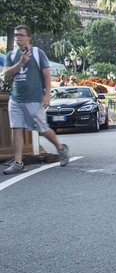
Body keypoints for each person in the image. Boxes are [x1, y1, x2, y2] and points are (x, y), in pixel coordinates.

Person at [2, 25, 69, 175]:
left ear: (28, 37)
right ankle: (18, 162)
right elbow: (6, 74)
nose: (18, 37)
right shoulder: (12, 55)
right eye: (16, 35)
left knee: (42, 128)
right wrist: (20, 63)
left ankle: (60, 148)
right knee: (16, 128)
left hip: (34, 98)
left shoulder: (38, 53)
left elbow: (46, 75)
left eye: (20, 35)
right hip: (16, 99)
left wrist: (47, 95)